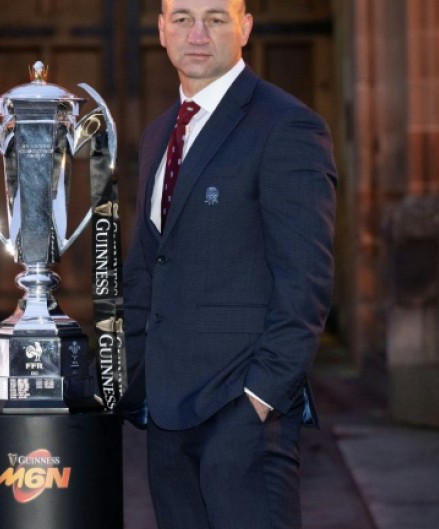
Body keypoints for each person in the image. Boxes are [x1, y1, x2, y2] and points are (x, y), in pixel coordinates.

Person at [121, 1, 337, 528]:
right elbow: (150, 264)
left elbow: (304, 284)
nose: (197, 33)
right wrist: (137, 375)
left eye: (216, 19)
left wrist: (260, 401)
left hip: (242, 415)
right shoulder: (159, 134)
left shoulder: (287, 126)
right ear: (161, 30)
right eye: (182, 18)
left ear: (245, 28)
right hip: (168, 416)